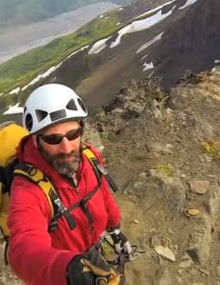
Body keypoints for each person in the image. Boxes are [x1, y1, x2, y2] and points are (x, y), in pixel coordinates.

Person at [7, 83, 129, 285]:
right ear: (36, 140)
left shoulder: (90, 156)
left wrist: (115, 227)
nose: (66, 148)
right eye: (53, 139)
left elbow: (102, 193)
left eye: (73, 135)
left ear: (81, 129)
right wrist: (67, 268)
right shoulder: (27, 189)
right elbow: (23, 249)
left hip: (92, 251)